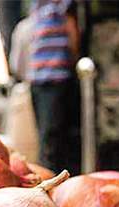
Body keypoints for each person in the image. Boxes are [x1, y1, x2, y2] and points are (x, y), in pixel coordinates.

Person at [27, 0, 80, 174]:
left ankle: (52, 183)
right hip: (37, 78)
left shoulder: (61, 3)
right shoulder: (36, 5)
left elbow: (71, 29)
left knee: (51, 139)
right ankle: (47, 180)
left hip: (56, 76)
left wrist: (74, 60)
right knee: (45, 137)